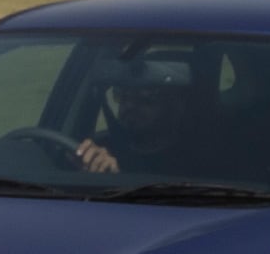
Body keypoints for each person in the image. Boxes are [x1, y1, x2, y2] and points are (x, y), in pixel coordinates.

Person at [75, 57, 216, 176]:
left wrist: (116, 177)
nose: (129, 105)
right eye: (123, 96)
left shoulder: (199, 163)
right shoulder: (101, 149)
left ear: (177, 106)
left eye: (146, 98)